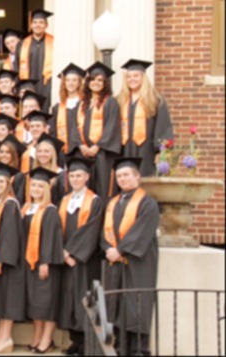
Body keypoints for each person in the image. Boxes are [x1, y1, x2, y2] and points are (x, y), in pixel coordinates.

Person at [101, 157, 160, 356]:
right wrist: (110, 249)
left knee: (137, 305)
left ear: (137, 177)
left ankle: (139, 350)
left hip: (138, 263)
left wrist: (121, 250)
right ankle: (120, 348)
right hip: (116, 263)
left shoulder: (147, 202)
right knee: (118, 305)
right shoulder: (114, 202)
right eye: (119, 176)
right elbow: (106, 232)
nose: (122, 179)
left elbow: (142, 230)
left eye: (126, 175)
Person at [57, 157, 104, 356]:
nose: (75, 179)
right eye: (72, 176)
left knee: (84, 298)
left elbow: (92, 229)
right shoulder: (64, 200)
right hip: (66, 259)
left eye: (79, 176)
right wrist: (62, 252)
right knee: (68, 299)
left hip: (84, 260)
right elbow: (56, 228)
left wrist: (73, 252)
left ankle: (87, 343)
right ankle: (74, 341)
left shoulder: (94, 201)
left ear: (87, 177)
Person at [22, 167, 64, 354]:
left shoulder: (50, 210)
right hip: (29, 262)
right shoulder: (26, 208)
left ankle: (47, 340)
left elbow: (50, 239)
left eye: (40, 186)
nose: (36, 189)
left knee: (47, 303)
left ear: (46, 188)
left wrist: (45, 262)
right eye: (34, 185)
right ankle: (37, 337)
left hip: (44, 264)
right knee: (35, 304)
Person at [0, 163, 25, 354]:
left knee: (8, 300)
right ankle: (1, 337)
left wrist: (1, 260)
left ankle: (6, 338)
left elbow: (9, 236)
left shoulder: (10, 204)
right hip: (0, 259)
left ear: (9, 183)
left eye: (2, 181)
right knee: (2, 299)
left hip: (8, 263)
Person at [117, 59, 174, 177]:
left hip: (147, 150)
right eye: (129, 76)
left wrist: (161, 151)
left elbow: (163, 127)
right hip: (125, 149)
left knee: (145, 180)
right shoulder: (120, 100)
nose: (132, 79)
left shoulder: (155, 100)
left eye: (136, 76)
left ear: (143, 77)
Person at [75, 62, 121, 200]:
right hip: (84, 154)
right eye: (93, 79)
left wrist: (98, 146)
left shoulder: (110, 102)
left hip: (103, 155)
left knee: (103, 188)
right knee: (86, 188)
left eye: (100, 80)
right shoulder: (82, 103)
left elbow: (112, 126)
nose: (96, 82)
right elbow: (74, 127)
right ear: (88, 82)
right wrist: (80, 145)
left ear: (105, 83)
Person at [17, 9, 54, 111]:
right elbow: (16, 67)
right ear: (31, 25)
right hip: (29, 84)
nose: (38, 25)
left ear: (46, 25)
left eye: (41, 22)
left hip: (47, 84)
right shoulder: (22, 44)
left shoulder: (54, 43)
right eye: (35, 22)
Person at [51, 63, 85, 158]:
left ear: (79, 83)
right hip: (64, 151)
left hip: (83, 149)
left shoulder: (85, 104)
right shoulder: (57, 108)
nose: (71, 83)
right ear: (64, 83)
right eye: (68, 80)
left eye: (74, 80)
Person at [34, 133, 68, 206]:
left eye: (46, 151)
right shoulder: (34, 173)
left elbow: (63, 201)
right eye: (39, 151)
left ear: (53, 154)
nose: (42, 154)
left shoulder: (61, 174)